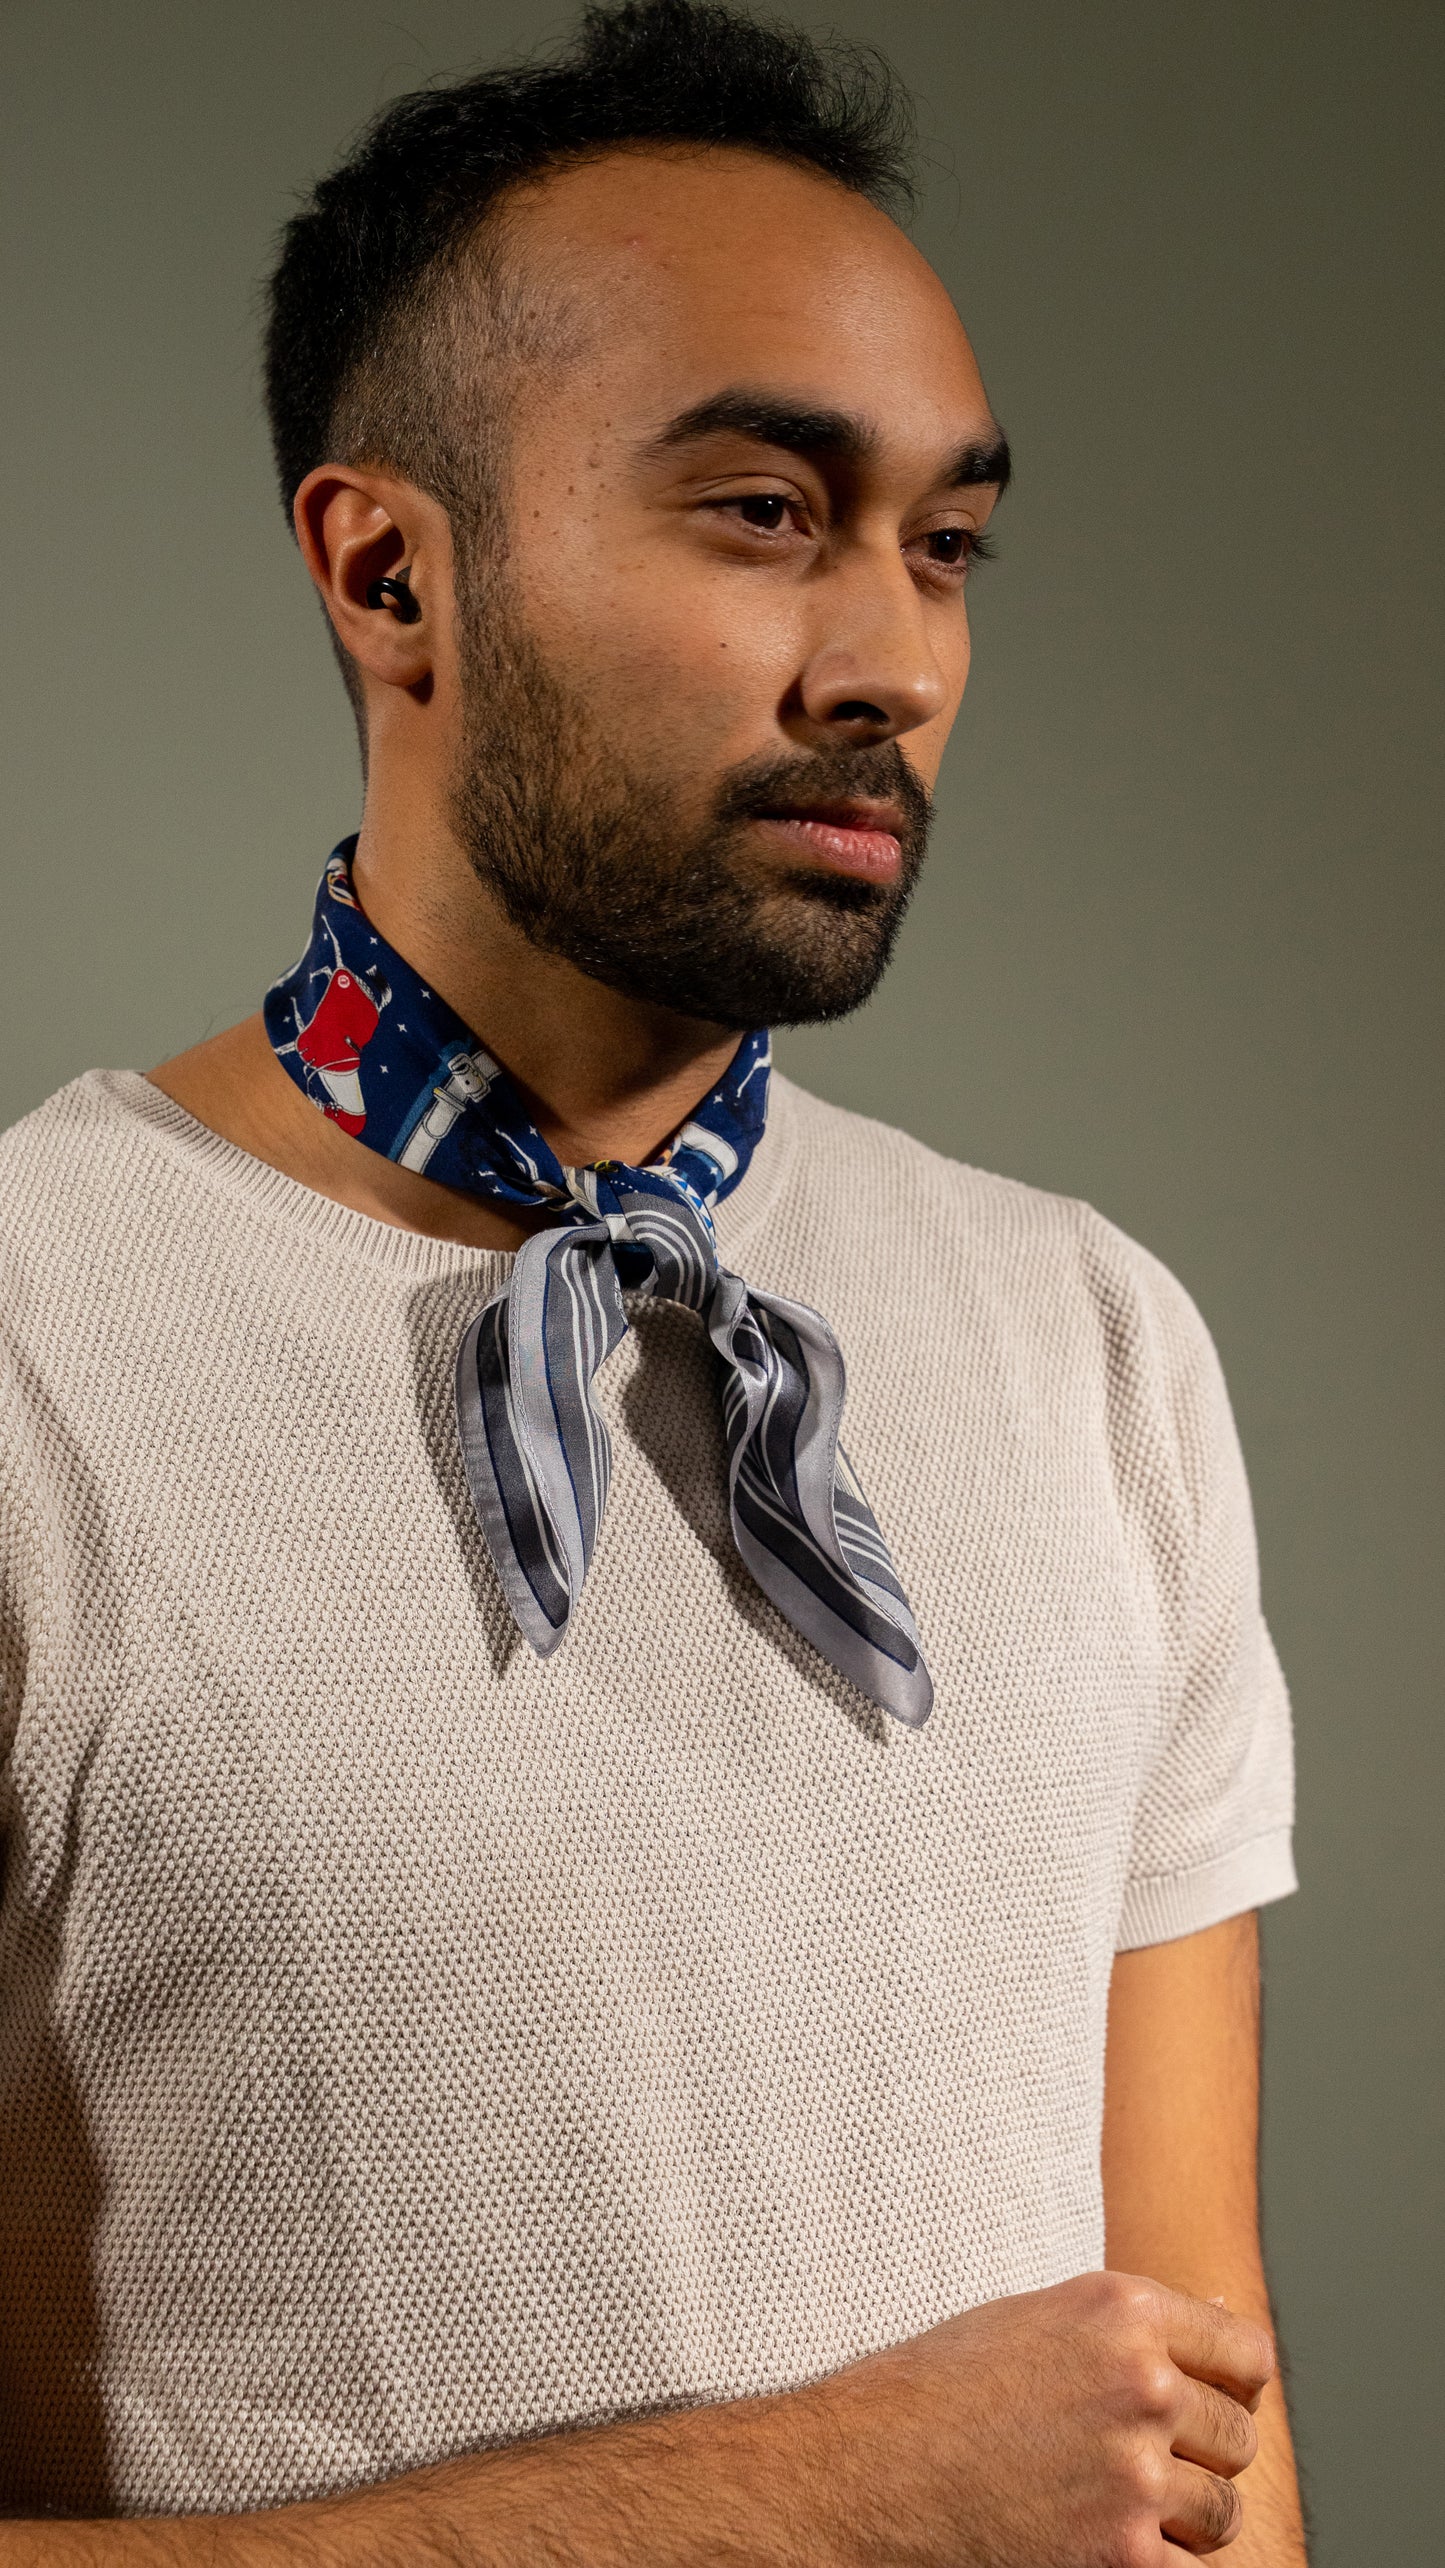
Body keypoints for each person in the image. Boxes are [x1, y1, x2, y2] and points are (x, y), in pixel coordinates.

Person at [0, 2, 1307, 2558]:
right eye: (758, 514)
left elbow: (1205, 2429)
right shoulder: (34, 1343)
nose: (894, 665)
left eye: (944, 546)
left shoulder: (1098, 1346)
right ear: (392, 570)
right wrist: (794, 2499)